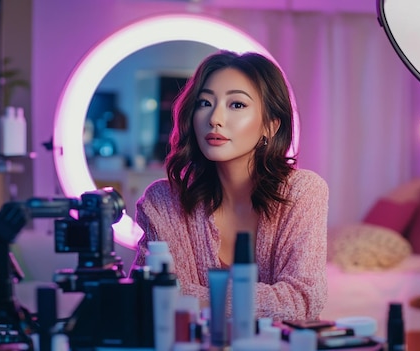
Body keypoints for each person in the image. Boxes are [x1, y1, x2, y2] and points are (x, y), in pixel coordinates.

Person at [132, 50, 328, 321]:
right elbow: (149, 295)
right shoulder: (163, 201)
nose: (215, 118)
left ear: (270, 126)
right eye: (204, 103)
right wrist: (263, 302)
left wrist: (189, 296)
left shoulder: (303, 192)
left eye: (237, 105)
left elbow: (302, 300)